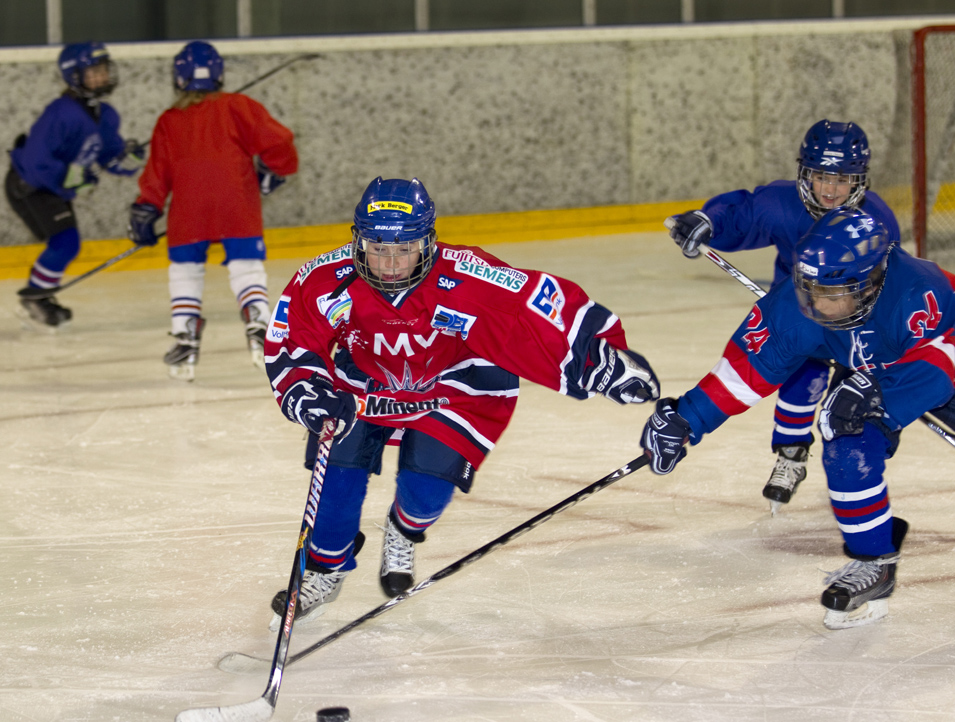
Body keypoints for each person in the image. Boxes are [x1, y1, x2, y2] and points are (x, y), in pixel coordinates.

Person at [262, 176, 659, 626]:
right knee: (337, 470)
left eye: (404, 248)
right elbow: (292, 341)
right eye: (377, 248)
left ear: (427, 242)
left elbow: (538, 309)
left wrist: (600, 360)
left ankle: (404, 531)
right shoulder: (324, 280)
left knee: (427, 488)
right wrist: (308, 392)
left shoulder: (469, 275)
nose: (390, 264)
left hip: (458, 387)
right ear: (358, 241)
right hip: (364, 384)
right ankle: (325, 569)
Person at [642, 207, 955, 629]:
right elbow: (749, 367)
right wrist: (688, 418)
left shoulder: (920, 291)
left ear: (871, 283)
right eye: (809, 289)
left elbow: (934, 375)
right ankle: (874, 560)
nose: (816, 305)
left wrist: (876, 391)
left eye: (833, 294)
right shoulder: (801, 300)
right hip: (870, 366)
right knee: (846, 440)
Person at [665, 120, 900, 513]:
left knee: (852, 404)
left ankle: (856, 475)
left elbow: (890, 292)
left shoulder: (878, 224)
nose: (830, 189)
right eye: (821, 176)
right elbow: (741, 214)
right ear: (804, 173)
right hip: (796, 307)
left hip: (855, 320)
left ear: (861, 180)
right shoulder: (782, 203)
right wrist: (707, 222)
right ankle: (791, 455)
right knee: (799, 374)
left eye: (842, 179)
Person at [129, 40, 298, 381]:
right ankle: (258, 326)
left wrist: (146, 208)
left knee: (186, 271)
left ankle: (185, 338)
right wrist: (274, 170)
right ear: (219, 75)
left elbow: (158, 172)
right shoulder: (239, 106)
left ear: (178, 78)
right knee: (247, 268)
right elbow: (279, 141)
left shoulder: (169, 120)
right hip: (237, 202)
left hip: (189, 209)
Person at [5, 41, 143, 329]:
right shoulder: (62, 112)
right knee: (66, 243)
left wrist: (126, 159)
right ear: (74, 76)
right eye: (93, 72)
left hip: (52, 186)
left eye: (103, 70)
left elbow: (108, 156)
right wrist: (70, 176)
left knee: (65, 244)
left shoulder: (106, 115)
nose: (101, 76)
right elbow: (35, 159)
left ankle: (40, 294)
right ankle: (37, 296)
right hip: (29, 184)